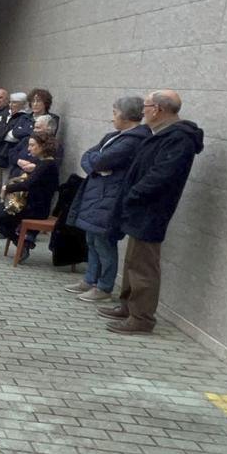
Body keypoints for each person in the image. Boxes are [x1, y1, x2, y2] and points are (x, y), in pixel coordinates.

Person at [99, 90, 204, 334]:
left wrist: (134, 195)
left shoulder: (178, 138)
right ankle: (127, 306)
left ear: (157, 109)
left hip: (151, 209)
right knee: (133, 260)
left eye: (146, 106)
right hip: (140, 207)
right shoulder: (160, 134)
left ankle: (142, 318)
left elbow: (161, 175)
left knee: (144, 266)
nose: (142, 111)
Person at [64, 96, 150, 302]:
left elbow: (100, 160)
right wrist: (96, 167)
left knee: (104, 243)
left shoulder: (133, 140)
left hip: (110, 198)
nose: (112, 118)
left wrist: (98, 166)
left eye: (114, 112)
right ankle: (90, 279)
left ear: (127, 115)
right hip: (97, 195)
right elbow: (88, 157)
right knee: (91, 240)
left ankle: (104, 287)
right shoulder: (114, 136)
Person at [0, 131, 61, 259]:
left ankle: (21, 243)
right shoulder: (43, 163)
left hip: (35, 208)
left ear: (42, 146)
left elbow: (28, 185)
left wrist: (7, 188)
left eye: (32, 145)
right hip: (30, 204)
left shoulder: (47, 165)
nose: (29, 148)